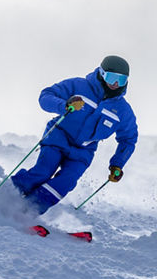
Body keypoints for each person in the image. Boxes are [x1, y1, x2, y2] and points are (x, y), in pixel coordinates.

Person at [12, 55, 139, 214]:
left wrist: (118, 164)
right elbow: (45, 96)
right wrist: (64, 105)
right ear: (102, 73)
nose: (115, 84)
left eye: (121, 80)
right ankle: (9, 194)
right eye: (112, 77)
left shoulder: (122, 110)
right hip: (58, 138)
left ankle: (30, 210)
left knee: (67, 181)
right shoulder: (79, 86)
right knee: (44, 171)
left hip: (83, 151)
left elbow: (129, 139)